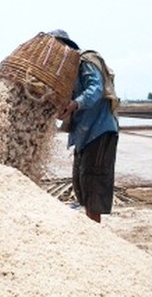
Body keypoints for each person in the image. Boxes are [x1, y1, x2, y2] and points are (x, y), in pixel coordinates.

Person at [50, 29, 119, 223]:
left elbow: (95, 90)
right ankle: (91, 231)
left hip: (99, 131)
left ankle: (95, 236)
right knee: (82, 183)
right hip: (83, 135)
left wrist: (73, 105)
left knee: (93, 184)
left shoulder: (85, 62)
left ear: (66, 47)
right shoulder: (67, 74)